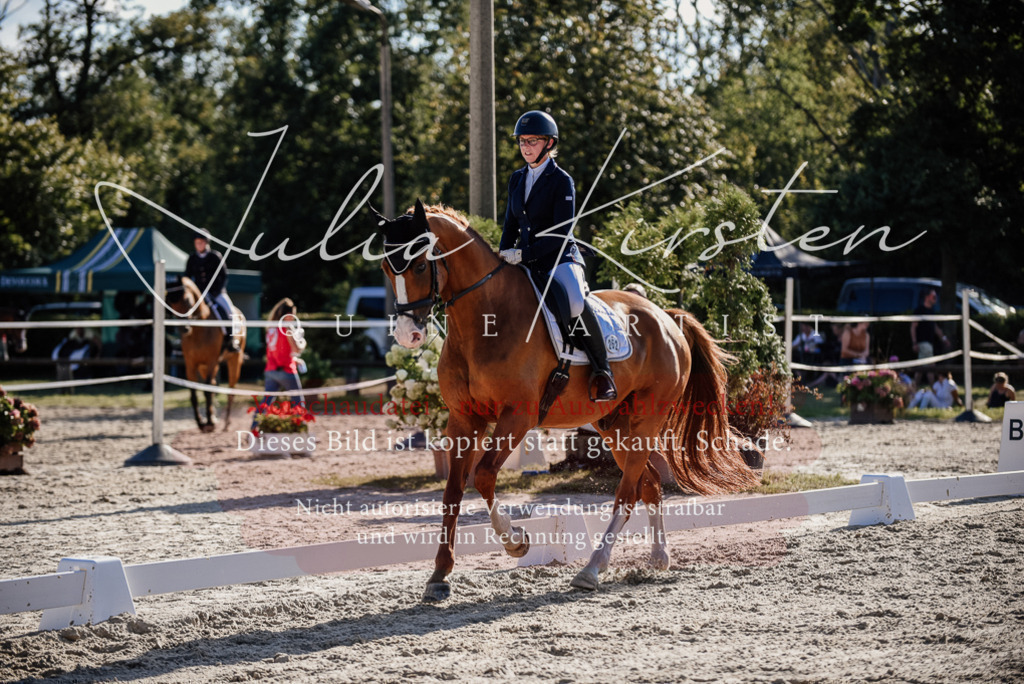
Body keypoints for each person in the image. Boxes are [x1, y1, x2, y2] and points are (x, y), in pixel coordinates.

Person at [499, 110, 616, 401]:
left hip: (559, 259)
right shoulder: (516, 179)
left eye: (533, 141)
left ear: (549, 143)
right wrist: (502, 254)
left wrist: (522, 254)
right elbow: (510, 224)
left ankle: (603, 372)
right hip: (523, 259)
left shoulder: (561, 181)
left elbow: (561, 234)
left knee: (575, 301)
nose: (526, 147)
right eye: (522, 141)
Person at [185, 228, 239, 352]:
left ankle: (232, 339)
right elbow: (187, 278)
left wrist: (217, 291)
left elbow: (224, 275)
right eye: (197, 242)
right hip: (199, 294)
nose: (198, 245)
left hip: (216, 292)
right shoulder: (192, 258)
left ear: (206, 243)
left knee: (229, 310)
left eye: (201, 242)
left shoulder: (215, 256)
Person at [259, 298, 307, 411]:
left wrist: (294, 359)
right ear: (288, 314)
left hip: (271, 370)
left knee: (265, 403)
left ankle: (255, 426)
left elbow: (276, 350)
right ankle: (300, 426)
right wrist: (303, 343)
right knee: (298, 403)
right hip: (286, 370)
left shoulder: (270, 328)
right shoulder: (287, 327)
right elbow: (297, 349)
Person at [910, 289, 949, 359]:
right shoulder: (919, 310)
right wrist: (914, 343)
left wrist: (944, 338)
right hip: (923, 343)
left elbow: (935, 327)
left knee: (925, 366)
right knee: (929, 366)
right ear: (927, 297)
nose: (936, 298)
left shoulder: (931, 311)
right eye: (933, 296)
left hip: (930, 343)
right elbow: (913, 327)